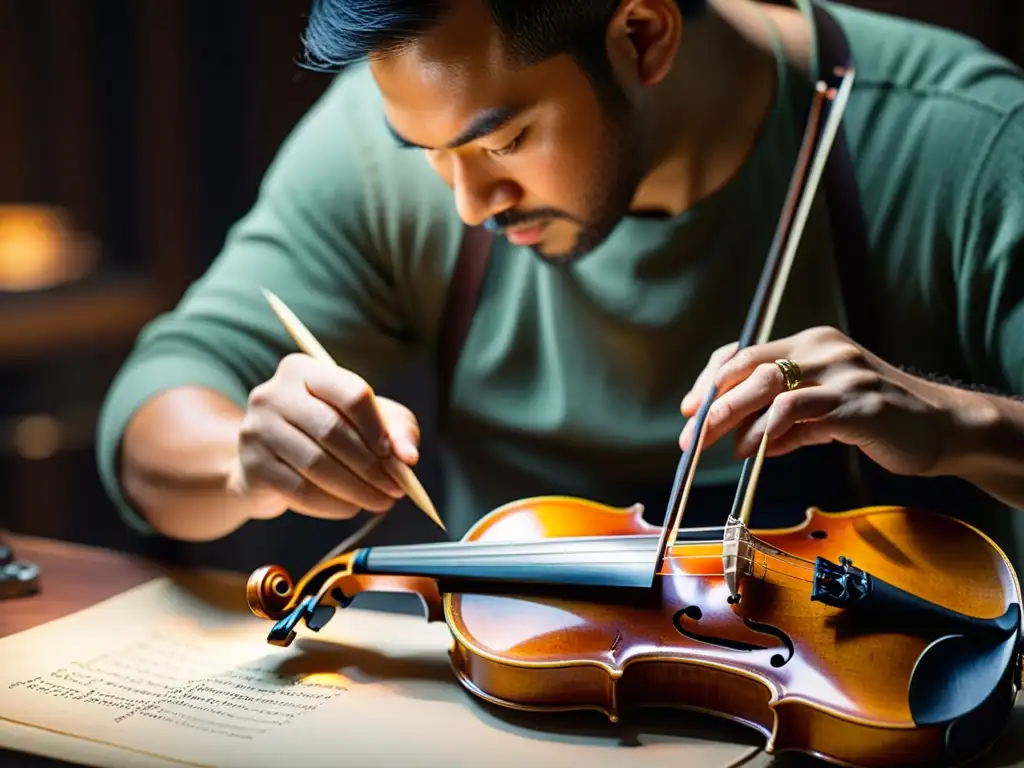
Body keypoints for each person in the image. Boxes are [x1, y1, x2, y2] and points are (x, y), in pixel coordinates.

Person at [96, 0, 1024, 564]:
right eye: (429, 154)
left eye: (503, 142)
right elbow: (153, 410)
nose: (467, 201)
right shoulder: (405, 131)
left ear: (642, 37)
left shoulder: (967, 141)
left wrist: (954, 422)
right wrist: (245, 461)